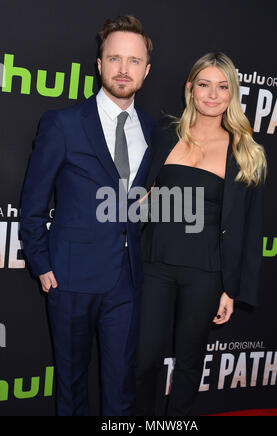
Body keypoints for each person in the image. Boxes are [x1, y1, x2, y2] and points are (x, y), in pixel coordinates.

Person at [20, 15, 155, 416]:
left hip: (126, 283)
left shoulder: (153, 129)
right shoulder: (62, 123)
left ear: (146, 70)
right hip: (70, 278)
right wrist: (42, 264)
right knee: (71, 386)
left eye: (134, 61)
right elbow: (32, 203)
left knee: (121, 389)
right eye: (114, 58)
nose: (123, 69)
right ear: (99, 64)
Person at [136, 52, 267, 416]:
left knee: (189, 364)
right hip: (154, 263)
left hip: (206, 274)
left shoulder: (246, 151)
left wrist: (230, 288)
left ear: (232, 93)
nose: (213, 95)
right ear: (190, 89)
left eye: (222, 87)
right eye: (204, 85)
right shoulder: (163, 134)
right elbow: (141, 196)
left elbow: (250, 228)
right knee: (143, 359)